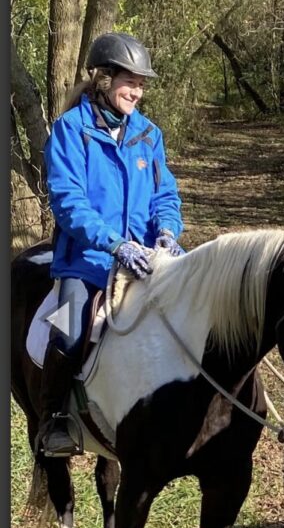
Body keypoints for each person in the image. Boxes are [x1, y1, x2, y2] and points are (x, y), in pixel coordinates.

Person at [37, 32, 184, 457]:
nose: (137, 91)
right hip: (83, 263)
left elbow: (165, 195)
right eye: (129, 81)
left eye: (141, 83)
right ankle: (54, 421)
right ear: (103, 79)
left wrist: (168, 232)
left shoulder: (148, 134)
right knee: (67, 332)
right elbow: (68, 202)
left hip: (145, 260)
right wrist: (116, 244)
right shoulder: (70, 130)